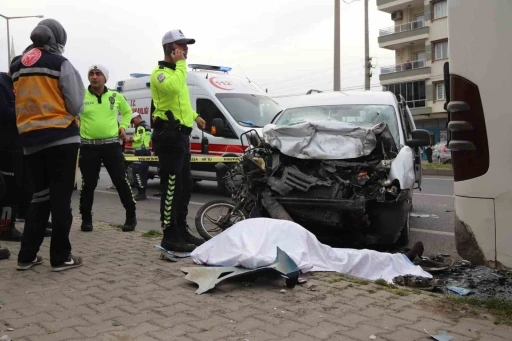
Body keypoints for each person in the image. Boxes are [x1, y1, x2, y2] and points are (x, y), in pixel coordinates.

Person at [12, 18, 85, 271]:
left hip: (30, 141)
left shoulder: (16, 66)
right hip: (62, 138)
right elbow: (76, 105)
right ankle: (60, 258)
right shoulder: (60, 63)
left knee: (39, 197)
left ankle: (26, 256)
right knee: (61, 198)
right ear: (57, 39)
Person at [150, 29, 206, 252]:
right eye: (181, 46)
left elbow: (180, 103)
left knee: (185, 185)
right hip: (169, 136)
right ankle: (169, 235)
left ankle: (181, 230)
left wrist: (194, 116)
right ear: (170, 49)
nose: (186, 50)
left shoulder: (178, 73)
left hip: (181, 136)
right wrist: (181, 64)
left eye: (186, 46)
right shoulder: (160, 73)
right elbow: (172, 89)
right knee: (171, 186)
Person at [79, 64, 137, 232]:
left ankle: (131, 217)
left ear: (105, 77)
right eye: (91, 73)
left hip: (111, 146)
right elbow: (71, 113)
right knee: (88, 184)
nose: (94, 77)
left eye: (98, 74)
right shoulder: (81, 95)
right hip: (89, 147)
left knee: (121, 181)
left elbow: (128, 113)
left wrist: (124, 126)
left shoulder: (115, 96)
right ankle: (86, 219)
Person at [0, 55, 23, 241]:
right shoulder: (2, 84)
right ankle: (6, 228)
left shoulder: (17, 87)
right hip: (5, 148)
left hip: (17, 146)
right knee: (7, 190)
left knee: (15, 188)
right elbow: (5, 112)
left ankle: (10, 225)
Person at [129, 112, 152, 201]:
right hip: (145, 150)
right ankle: (142, 192)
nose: (133, 124)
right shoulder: (147, 126)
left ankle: (141, 193)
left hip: (140, 151)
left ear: (137, 118)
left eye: (133, 121)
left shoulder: (140, 126)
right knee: (143, 172)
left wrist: (131, 139)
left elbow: (140, 137)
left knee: (137, 172)